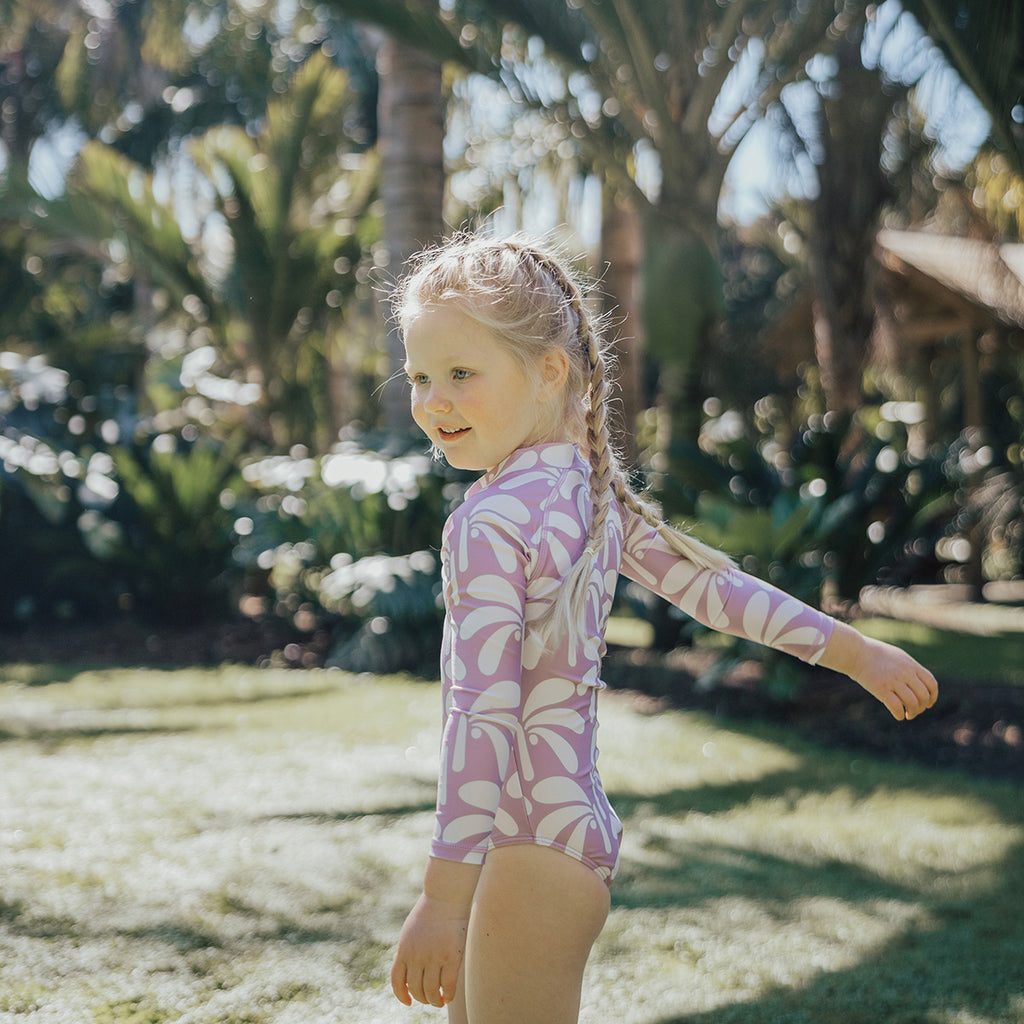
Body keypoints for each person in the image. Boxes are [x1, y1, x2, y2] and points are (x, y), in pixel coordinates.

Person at [388, 232, 938, 1024]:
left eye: (462, 374)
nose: (434, 400)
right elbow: (720, 590)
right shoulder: (591, 498)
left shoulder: (492, 522)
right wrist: (854, 651)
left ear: (551, 371)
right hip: (558, 836)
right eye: (419, 377)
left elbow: (485, 711)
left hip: (522, 851)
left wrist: (442, 898)